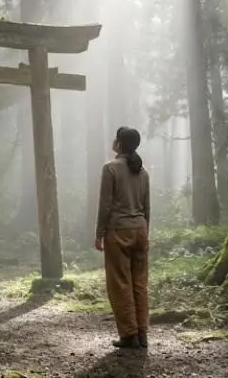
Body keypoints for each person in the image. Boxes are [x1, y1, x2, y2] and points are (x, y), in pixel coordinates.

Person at [94, 126, 151, 349]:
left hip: (118, 231)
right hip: (140, 230)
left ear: (119, 144)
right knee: (140, 283)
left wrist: (99, 233)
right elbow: (147, 207)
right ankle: (142, 333)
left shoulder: (111, 168)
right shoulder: (143, 172)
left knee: (120, 283)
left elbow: (105, 205)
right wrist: (146, 234)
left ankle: (129, 335)